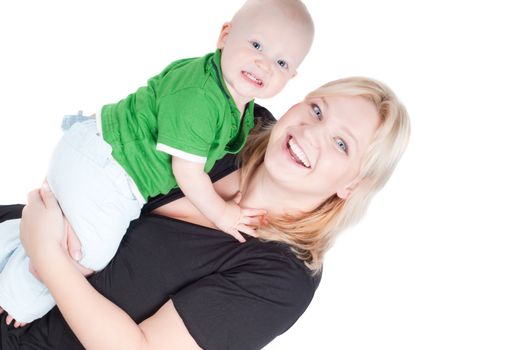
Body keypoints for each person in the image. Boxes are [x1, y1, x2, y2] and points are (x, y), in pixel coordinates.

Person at [0, 77, 410, 349]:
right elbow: (119, 139)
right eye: (317, 110)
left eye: (342, 144)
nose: (311, 133)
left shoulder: (282, 278)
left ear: (352, 185)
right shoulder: (236, 127)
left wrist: (48, 255)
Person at [0, 0, 314, 325]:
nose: (264, 64)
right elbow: (186, 171)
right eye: (256, 44)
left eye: (280, 61)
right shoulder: (203, 98)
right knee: (86, 254)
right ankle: (19, 295)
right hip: (110, 169)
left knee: (64, 229)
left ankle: (11, 240)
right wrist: (222, 214)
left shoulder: (233, 100)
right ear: (225, 35)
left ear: (291, 77)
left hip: (102, 151)